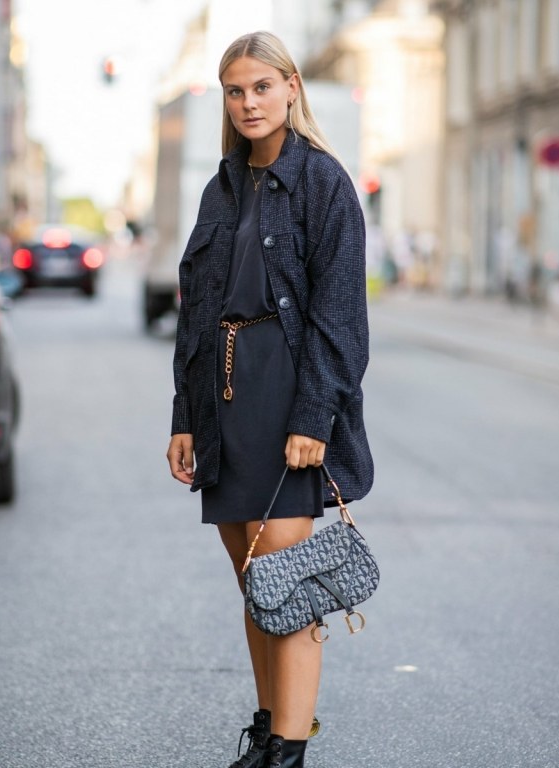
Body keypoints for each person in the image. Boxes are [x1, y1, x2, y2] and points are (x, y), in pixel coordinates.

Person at [166, 31, 373, 768]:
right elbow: (196, 313)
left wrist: (315, 415)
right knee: (256, 584)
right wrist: (185, 419)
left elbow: (340, 314)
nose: (248, 102)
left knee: (288, 587)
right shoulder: (220, 187)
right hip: (224, 394)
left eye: (261, 86)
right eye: (234, 90)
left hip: (288, 394)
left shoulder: (323, 181)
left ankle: (290, 751)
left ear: (291, 87)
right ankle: (266, 732)